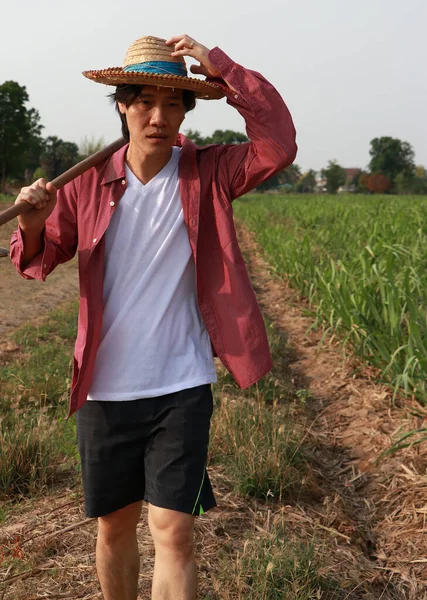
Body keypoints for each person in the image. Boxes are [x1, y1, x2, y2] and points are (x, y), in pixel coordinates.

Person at [10, 34, 297, 600]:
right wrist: (33, 223)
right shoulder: (87, 185)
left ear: (188, 109)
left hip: (181, 384)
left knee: (174, 531)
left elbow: (277, 145)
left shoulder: (210, 173)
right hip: (105, 388)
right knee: (114, 527)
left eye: (172, 103)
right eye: (144, 101)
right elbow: (39, 260)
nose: (157, 116)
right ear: (122, 104)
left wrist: (225, 70)